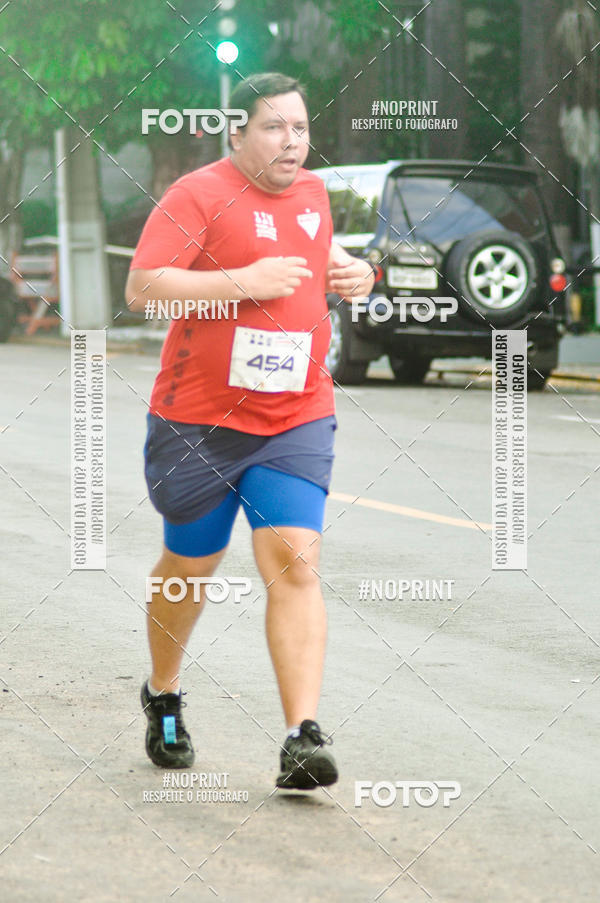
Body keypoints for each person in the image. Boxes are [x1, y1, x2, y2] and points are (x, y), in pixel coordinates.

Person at [125, 72, 375, 790]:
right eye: (274, 128)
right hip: (198, 421)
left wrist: (352, 271)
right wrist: (242, 280)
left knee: (297, 561)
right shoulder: (197, 194)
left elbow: (314, 259)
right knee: (190, 568)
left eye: (299, 128)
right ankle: (164, 692)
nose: (291, 142)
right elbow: (144, 286)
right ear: (236, 133)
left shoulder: (316, 194)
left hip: (295, 412)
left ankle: (302, 735)